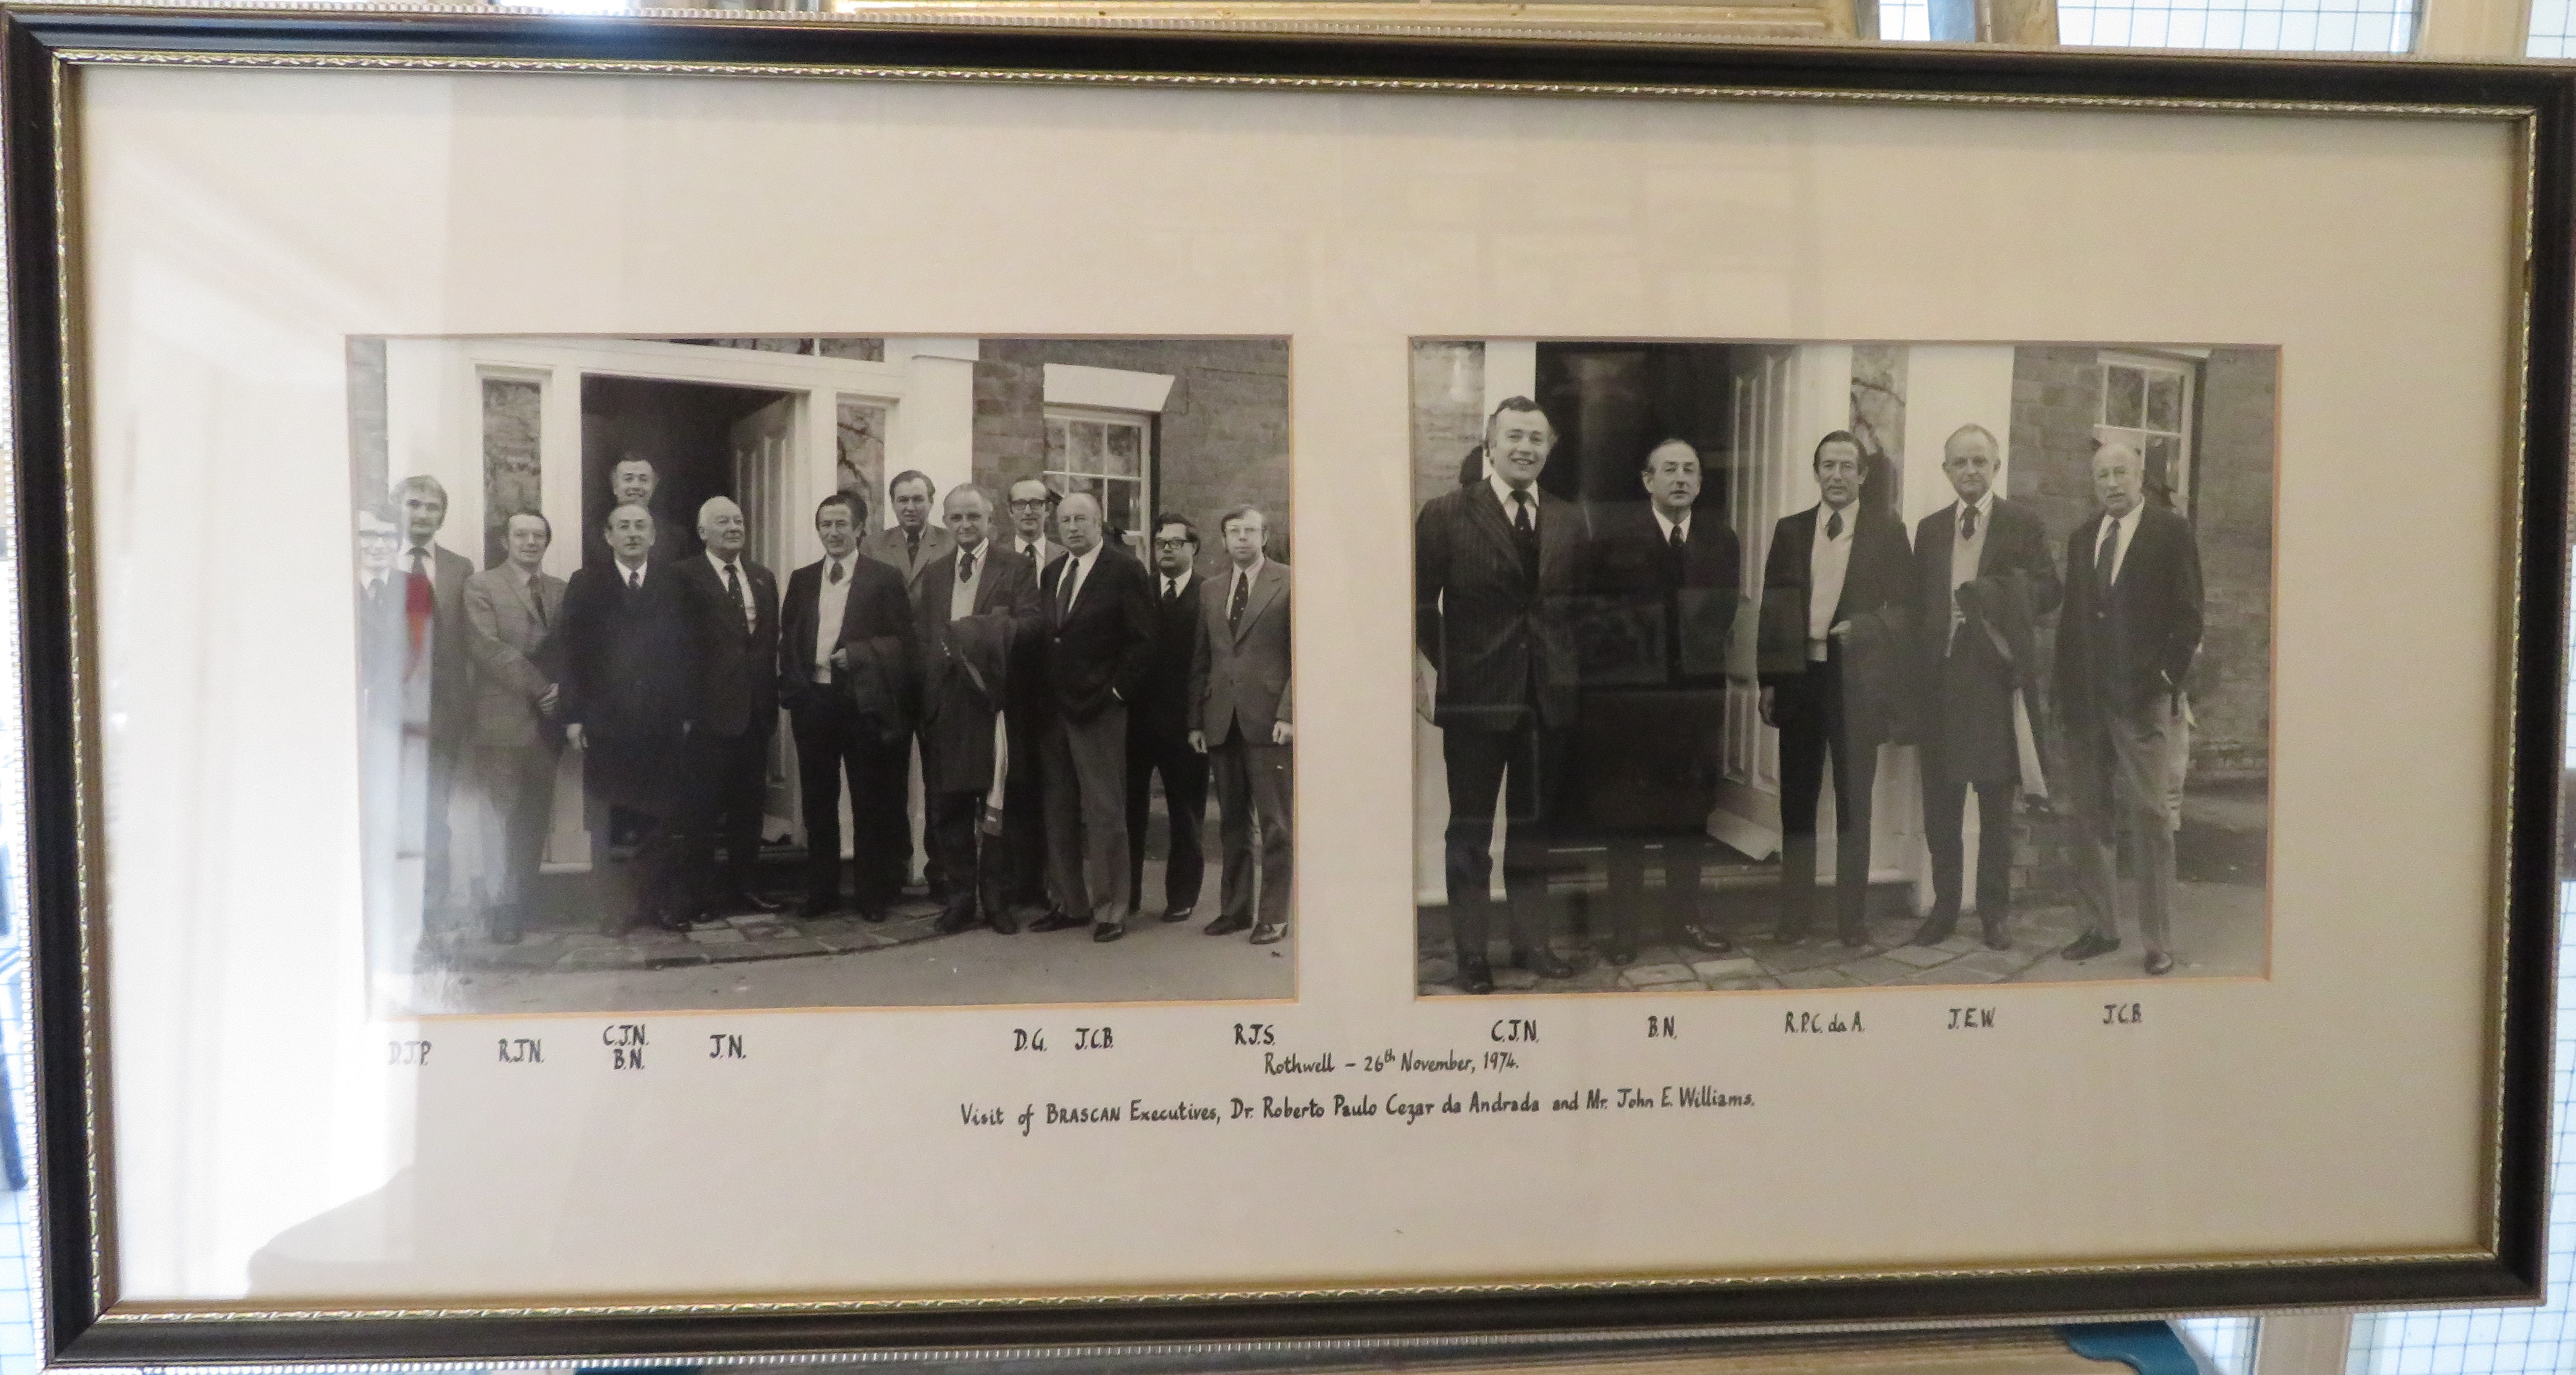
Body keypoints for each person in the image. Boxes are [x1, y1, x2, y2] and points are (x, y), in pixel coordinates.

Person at [1414, 397, 1584, 994]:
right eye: (1514, 436)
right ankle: (1471, 955)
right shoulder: (1446, 513)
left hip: (1547, 699)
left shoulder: (1568, 518)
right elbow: (1418, 602)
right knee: (1470, 833)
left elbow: (1579, 608)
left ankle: (1532, 943)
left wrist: (1566, 668)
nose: (1525, 448)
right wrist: (1452, 665)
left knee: (1533, 830)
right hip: (1476, 698)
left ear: (1549, 449)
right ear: (1490, 444)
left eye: (1537, 438)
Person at [1577, 438, 1740, 964]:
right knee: (1627, 815)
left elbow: (1723, 614)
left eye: (1691, 469)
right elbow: (1598, 616)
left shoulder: (1721, 539)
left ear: (1700, 482)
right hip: (1632, 706)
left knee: (1689, 815)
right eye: (1670, 469)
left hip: (1693, 703)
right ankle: (1625, 930)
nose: (1681, 478)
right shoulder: (1615, 539)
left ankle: (1684, 918)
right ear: (1648, 480)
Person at [1906, 424, 2061, 951]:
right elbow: (1916, 603)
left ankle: (1994, 913)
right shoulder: (1930, 530)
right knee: (1941, 804)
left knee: (1995, 804)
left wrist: (1990, 596)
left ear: (1996, 466)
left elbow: (2049, 589)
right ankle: (1944, 908)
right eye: (1960, 462)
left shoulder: (2022, 523)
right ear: (1946, 470)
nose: (1970, 470)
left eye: (1979, 461)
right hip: (1940, 682)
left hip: (1994, 682)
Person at [1756, 431, 1911, 948]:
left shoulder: (1887, 531)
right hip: (1801, 681)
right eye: (1828, 465)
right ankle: (1794, 916)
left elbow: (1906, 608)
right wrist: (1769, 679)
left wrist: (1866, 626)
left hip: (1856, 686)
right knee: (1797, 804)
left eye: (1847, 466)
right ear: (1817, 472)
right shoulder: (1792, 530)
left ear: (1862, 475)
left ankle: (1852, 920)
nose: (1837, 475)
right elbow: (1773, 608)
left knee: (1854, 805)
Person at [2056, 441, 2203, 977]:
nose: (2113, 483)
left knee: (2151, 814)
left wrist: (2164, 678)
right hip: (2086, 701)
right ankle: (2100, 927)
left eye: (2121, 472)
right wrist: (2064, 691)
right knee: (2090, 815)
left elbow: (2189, 616)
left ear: (2140, 476)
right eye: (2103, 475)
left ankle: (2159, 940)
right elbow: (2074, 620)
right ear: (2093, 482)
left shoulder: (2170, 532)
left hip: (2141, 700)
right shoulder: (2082, 538)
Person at [777, 492, 917, 922]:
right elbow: (789, 637)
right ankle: (822, 892)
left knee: (869, 800)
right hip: (814, 703)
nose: (834, 532)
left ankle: (871, 894)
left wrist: (858, 655)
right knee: (818, 802)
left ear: (859, 529)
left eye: (842, 524)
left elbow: (903, 642)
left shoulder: (884, 578)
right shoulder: (803, 579)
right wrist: (797, 690)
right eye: (826, 524)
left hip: (863, 704)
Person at [914, 486, 1043, 933]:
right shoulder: (935, 573)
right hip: (948, 705)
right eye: (956, 517)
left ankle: (995, 899)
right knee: (949, 806)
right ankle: (960, 900)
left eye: (974, 516)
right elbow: (926, 636)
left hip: (993, 703)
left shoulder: (1016, 566)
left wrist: (978, 632)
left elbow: (1032, 625)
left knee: (996, 805)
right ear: (946, 521)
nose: (965, 525)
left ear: (990, 520)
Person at [1028, 492, 1155, 942]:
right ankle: (1070, 902)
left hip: (1099, 708)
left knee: (1104, 810)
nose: (1073, 527)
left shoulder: (1125, 570)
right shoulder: (1052, 573)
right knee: (1058, 808)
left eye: (1081, 519)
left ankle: (1111, 908)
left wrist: (1116, 692)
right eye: (1065, 521)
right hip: (1055, 710)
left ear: (1099, 522)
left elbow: (1144, 640)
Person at [559, 502, 688, 935]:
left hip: (661, 722)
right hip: (606, 722)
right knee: (609, 819)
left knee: (661, 818)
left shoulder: (673, 583)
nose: (632, 534)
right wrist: (574, 716)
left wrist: (686, 712)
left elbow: (688, 650)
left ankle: (657, 903)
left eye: (640, 526)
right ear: (608, 536)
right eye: (623, 526)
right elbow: (571, 653)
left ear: (653, 536)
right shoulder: (586, 583)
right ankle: (615, 909)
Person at [666, 496, 783, 925]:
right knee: (700, 810)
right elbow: (674, 647)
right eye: (723, 522)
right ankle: (700, 894)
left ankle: (745, 887)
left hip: (755, 712)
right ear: (703, 532)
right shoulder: (682, 576)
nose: (734, 527)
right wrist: (685, 710)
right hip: (706, 715)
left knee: (749, 808)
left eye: (738, 520)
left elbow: (766, 643)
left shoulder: (763, 577)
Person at [460, 511, 568, 944]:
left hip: (548, 725)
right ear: (506, 541)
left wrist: (564, 692)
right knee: (500, 817)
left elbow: (573, 646)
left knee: (535, 817)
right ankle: (502, 908)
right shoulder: (481, 586)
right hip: (502, 718)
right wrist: (542, 688)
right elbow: (487, 648)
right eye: (521, 535)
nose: (530, 542)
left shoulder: (560, 589)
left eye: (538, 535)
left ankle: (527, 901)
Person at [1189, 505, 1293, 945]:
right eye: (1235, 532)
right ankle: (1234, 910)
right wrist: (1196, 721)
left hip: (1270, 720)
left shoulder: (1290, 582)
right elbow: (1201, 658)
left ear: (1264, 536)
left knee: (1276, 824)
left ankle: (1274, 915)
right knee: (1232, 822)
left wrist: (1289, 713)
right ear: (1224, 539)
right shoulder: (1211, 589)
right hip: (1221, 720)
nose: (1243, 539)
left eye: (1251, 531)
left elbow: (1304, 654)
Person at [392, 474, 475, 924]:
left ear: (442, 516)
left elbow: (467, 641)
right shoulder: (377, 557)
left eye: (432, 507)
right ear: (398, 508)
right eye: (414, 504)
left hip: (442, 710)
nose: (422, 514)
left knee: (433, 810)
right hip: (388, 712)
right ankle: (393, 909)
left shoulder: (460, 568)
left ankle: (433, 910)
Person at [1127, 515, 1210, 924]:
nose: (1167, 549)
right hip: (1137, 720)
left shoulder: (1208, 593)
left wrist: (1199, 720)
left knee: (1186, 813)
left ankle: (1182, 896)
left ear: (1194, 548)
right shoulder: (1139, 590)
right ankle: (1127, 895)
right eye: (1161, 542)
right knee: (1130, 810)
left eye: (1177, 542)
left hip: (1185, 723)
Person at [1000, 478, 1067, 914]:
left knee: (1053, 786)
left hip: (1056, 690)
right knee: (1012, 784)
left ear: (1048, 511)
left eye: (1037, 504)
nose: (1029, 511)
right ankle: (1014, 881)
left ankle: (1049, 882)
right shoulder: (997, 560)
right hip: (1009, 689)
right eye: (1021, 503)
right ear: (1009, 510)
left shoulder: (1064, 558)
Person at [353, 504, 414, 978]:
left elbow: (423, 657)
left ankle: (394, 926)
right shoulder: (335, 585)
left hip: (395, 724)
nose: (377, 545)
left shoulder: (412, 589)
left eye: (387, 537)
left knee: (393, 818)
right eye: (368, 536)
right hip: (346, 725)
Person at [588, 453, 694, 567]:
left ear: (654, 486)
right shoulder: (593, 535)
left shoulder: (676, 537)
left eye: (643, 480)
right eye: (628, 479)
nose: (636, 486)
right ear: (615, 487)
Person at [860, 469, 956, 591]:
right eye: (903, 500)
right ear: (893, 504)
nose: (910, 508)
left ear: (931, 503)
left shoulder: (951, 543)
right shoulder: (872, 546)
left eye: (918, 500)